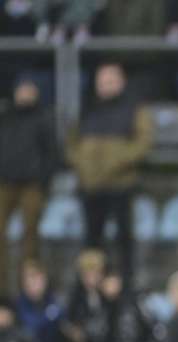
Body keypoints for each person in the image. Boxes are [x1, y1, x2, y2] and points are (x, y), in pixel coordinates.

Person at [66, 62, 152, 290]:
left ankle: (126, 286)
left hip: (121, 185)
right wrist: (82, 163)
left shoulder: (135, 109)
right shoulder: (87, 109)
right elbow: (71, 144)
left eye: (111, 80)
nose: (106, 86)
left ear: (122, 82)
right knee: (92, 241)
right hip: (90, 185)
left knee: (124, 240)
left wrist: (116, 161)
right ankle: (91, 288)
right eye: (102, 81)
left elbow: (143, 143)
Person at [0, 76, 55, 297]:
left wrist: (42, 180)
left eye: (29, 89)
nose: (25, 93)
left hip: (32, 185)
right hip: (4, 182)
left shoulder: (44, 118)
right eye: (22, 89)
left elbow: (53, 154)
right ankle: (2, 290)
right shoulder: (5, 117)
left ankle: (29, 290)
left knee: (30, 237)